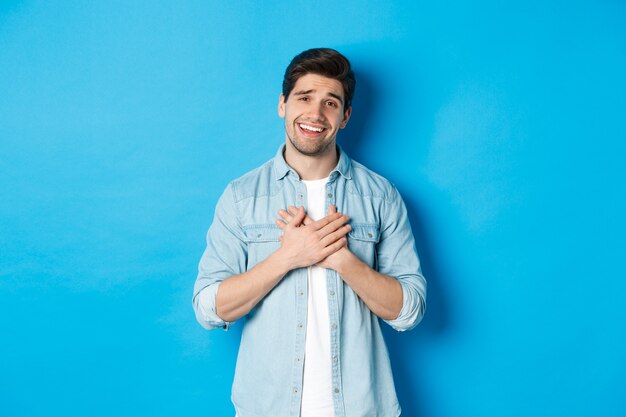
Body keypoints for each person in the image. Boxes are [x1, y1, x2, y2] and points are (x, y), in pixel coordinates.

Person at [192, 48, 426, 417]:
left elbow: (409, 311)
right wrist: (289, 256)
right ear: (283, 104)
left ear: (345, 116)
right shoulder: (241, 197)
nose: (315, 114)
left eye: (331, 103)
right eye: (304, 98)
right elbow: (209, 308)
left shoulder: (381, 196)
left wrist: (342, 259)